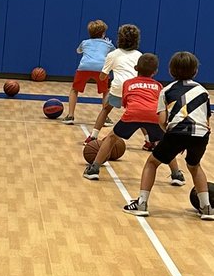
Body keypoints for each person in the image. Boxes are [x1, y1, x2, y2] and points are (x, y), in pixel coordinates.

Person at [123, 51, 213, 218]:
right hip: (201, 134)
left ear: (171, 70)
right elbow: (206, 121)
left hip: (176, 131)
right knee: (195, 166)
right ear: (195, 71)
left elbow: (162, 120)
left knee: (152, 163)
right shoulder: (203, 91)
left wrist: (172, 136)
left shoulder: (166, 90)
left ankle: (141, 203)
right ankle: (207, 207)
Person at [83, 54, 183, 185]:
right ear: (155, 71)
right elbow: (161, 104)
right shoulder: (158, 86)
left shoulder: (128, 83)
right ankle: (177, 174)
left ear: (136, 68)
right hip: (154, 115)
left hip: (133, 113)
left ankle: (94, 169)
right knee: (163, 143)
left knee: (111, 138)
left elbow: (125, 103)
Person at [86, 24, 141, 141]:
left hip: (118, 87)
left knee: (106, 109)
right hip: (134, 88)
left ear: (119, 39)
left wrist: (104, 76)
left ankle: (93, 136)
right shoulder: (139, 55)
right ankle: (149, 141)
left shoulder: (112, 54)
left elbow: (102, 77)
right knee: (138, 114)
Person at [63, 20, 113, 124]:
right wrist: (108, 44)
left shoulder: (85, 42)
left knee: (74, 90)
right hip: (101, 68)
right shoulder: (108, 44)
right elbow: (114, 53)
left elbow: (78, 51)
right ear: (103, 33)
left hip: (84, 67)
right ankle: (105, 118)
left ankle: (70, 116)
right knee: (106, 92)